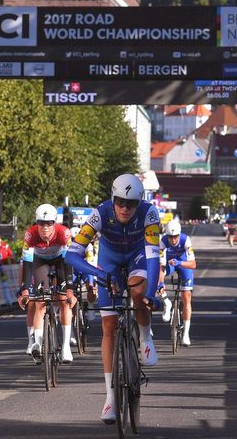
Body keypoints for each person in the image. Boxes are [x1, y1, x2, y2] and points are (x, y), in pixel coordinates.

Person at [65, 173, 161, 424]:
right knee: (108, 326)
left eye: (131, 204)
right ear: (112, 198)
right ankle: (110, 397)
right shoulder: (100, 213)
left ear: (139, 202)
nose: (125, 208)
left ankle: (145, 336)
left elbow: (152, 257)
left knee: (138, 291)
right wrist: (98, 274)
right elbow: (72, 255)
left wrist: (151, 294)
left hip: (138, 256)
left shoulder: (149, 214)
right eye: (120, 202)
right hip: (108, 262)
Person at [17, 204, 76, 364]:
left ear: (54, 223)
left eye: (49, 223)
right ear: (36, 223)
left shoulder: (64, 233)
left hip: (60, 261)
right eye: (41, 223)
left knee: (64, 301)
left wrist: (70, 288)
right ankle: (38, 343)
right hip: (39, 261)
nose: (45, 228)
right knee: (40, 303)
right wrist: (25, 290)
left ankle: (65, 347)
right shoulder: (30, 234)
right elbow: (28, 264)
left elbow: (69, 262)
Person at [157, 220, 196, 346]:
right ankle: (166, 303)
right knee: (156, 278)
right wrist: (161, 284)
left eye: (175, 237)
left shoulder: (186, 240)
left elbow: (193, 264)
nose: (173, 240)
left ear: (179, 235)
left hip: (183, 264)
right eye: (170, 238)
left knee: (186, 297)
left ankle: (186, 334)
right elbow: (161, 266)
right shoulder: (162, 241)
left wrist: (179, 262)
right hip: (169, 264)